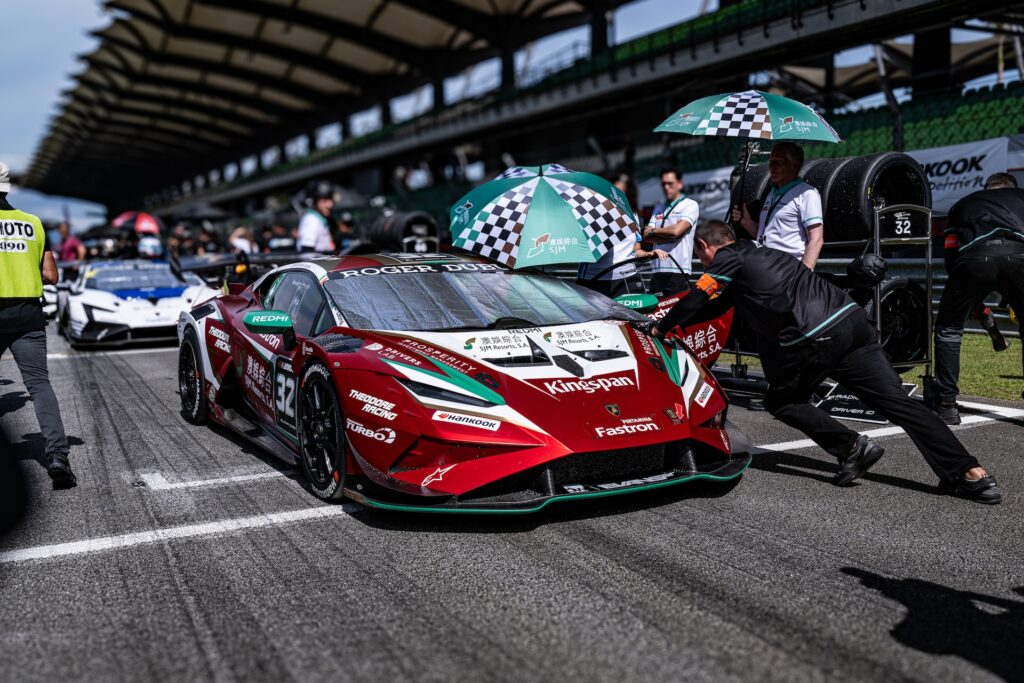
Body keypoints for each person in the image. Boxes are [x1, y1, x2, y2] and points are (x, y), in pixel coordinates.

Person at [646, 220, 1001, 504]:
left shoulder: (729, 255)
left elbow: (698, 296)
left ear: (707, 247)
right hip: (852, 323)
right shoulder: (769, 255)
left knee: (782, 400)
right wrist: (682, 320)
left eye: (701, 255)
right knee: (898, 404)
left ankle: (851, 447)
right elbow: (716, 307)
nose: (704, 262)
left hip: (815, 336)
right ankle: (971, 473)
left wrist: (660, 327)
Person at [0, 162, 76, 488]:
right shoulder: (33, 224)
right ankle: (58, 456)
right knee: (39, 386)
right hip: (28, 315)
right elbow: (51, 276)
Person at [931, 172, 1024, 424]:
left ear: (986, 188)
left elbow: (950, 254)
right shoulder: (1021, 197)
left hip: (973, 258)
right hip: (1019, 255)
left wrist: (966, 293)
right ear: (1011, 188)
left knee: (949, 328)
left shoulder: (963, 203)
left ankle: (947, 405)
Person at [732, 141, 824, 270]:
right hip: (766, 268)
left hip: (788, 270)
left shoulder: (807, 193)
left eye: (779, 162)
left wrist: (804, 276)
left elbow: (816, 239)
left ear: (794, 165)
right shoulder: (771, 193)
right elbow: (769, 235)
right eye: (771, 161)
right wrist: (746, 222)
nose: (772, 167)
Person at [577, 173, 668, 296]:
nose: (615, 197)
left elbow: (636, 251)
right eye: (612, 192)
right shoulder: (592, 214)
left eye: (620, 193)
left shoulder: (634, 217)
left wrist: (650, 254)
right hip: (595, 279)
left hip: (627, 280)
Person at [641, 169, 699, 296]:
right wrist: (664, 234)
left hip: (677, 271)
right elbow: (645, 235)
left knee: (676, 314)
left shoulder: (690, 205)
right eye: (663, 184)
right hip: (656, 270)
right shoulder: (658, 207)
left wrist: (654, 233)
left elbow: (676, 232)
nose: (666, 187)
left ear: (680, 184)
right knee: (654, 314)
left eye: (670, 183)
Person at [298, 181, 336, 253]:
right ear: (314, 202)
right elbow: (307, 250)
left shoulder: (319, 219)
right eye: (324, 201)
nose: (330, 205)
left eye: (331, 200)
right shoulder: (311, 219)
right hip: (318, 263)